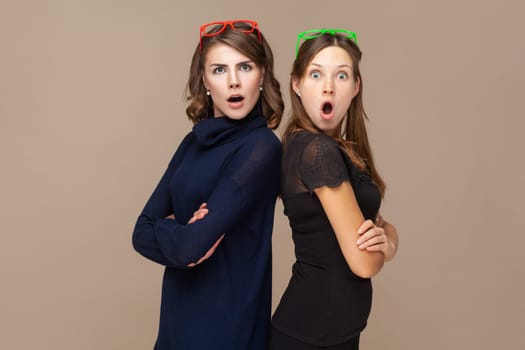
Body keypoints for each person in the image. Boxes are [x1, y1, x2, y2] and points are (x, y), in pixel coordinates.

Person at [132, 20, 284, 350]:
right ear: (204, 80)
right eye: (219, 69)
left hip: (228, 327)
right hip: (177, 319)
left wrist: (176, 233)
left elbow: (189, 248)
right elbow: (140, 232)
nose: (233, 81)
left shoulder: (261, 148)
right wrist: (183, 233)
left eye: (245, 66)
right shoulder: (192, 144)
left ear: (262, 76)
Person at [270, 29, 398, 349]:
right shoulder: (317, 152)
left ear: (355, 87)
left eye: (341, 76)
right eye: (316, 74)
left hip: (333, 333)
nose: (328, 86)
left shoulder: (337, 149)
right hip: (310, 335)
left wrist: (386, 237)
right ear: (296, 84)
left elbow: (378, 223)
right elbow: (364, 263)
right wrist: (391, 244)